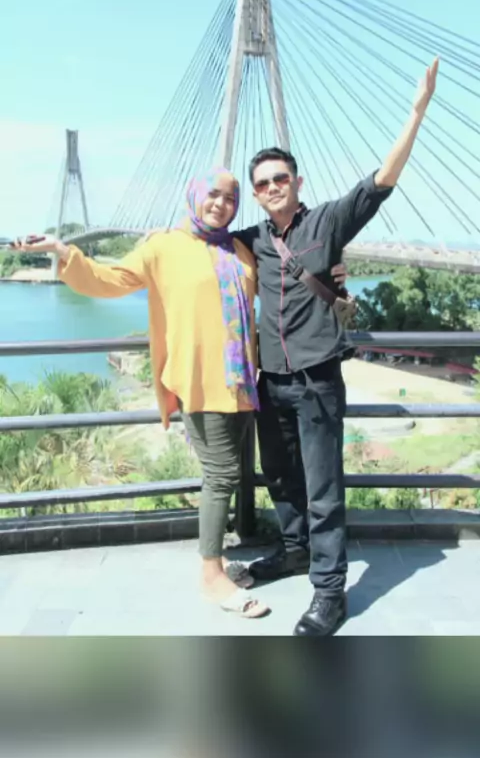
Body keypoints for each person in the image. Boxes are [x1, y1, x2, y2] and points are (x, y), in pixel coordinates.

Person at [234, 57, 439, 636]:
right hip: (271, 381)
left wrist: (417, 111)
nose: (272, 188)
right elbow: (199, 237)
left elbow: (381, 183)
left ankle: (329, 593)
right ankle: (294, 549)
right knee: (280, 477)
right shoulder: (252, 239)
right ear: (256, 194)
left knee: (323, 489)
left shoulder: (326, 223)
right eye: (262, 184)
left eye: (280, 179)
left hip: (316, 380)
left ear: (297, 182)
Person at [12, 169, 270, 619]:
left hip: (242, 382)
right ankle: (211, 574)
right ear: (194, 195)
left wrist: (334, 275)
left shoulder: (238, 249)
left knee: (227, 473)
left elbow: (278, 286)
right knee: (222, 474)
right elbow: (107, 280)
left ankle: (217, 561)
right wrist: (62, 250)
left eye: (230, 198)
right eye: (212, 194)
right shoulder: (163, 246)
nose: (220, 204)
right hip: (199, 381)